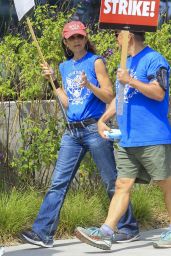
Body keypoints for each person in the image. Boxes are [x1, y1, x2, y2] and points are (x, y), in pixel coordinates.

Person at [21, 21, 139, 248]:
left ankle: (128, 227)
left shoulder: (95, 62)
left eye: (80, 37)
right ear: (65, 42)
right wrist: (53, 81)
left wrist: (89, 86)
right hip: (72, 132)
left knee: (111, 181)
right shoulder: (65, 67)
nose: (76, 41)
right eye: (71, 38)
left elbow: (108, 96)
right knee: (58, 182)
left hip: (94, 128)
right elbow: (67, 103)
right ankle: (43, 233)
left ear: (85, 39)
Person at [75, 30, 171, 250]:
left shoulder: (154, 59)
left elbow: (158, 93)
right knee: (122, 184)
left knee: (166, 184)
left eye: (117, 34)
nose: (115, 39)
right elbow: (121, 98)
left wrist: (130, 79)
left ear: (128, 37)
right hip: (128, 139)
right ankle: (106, 232)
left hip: (152, 136)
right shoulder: (125, 63)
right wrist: (103, 119)